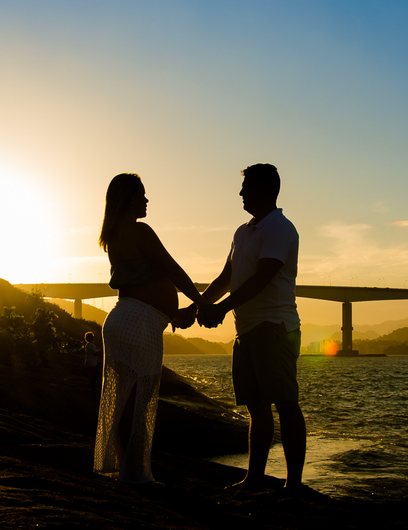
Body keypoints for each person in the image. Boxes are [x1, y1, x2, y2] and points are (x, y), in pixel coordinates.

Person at [198, 164, 306, 491]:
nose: (241, 193)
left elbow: (263, 276)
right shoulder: (242, 232)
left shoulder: (281, 229)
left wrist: (220, 309)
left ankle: (294, 486)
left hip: (274, 327)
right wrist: (198, 307)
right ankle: (254, 479)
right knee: (256, 409)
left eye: (247, 187)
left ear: (266, 190)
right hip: (245, 331)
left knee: (285, 403)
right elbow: (227, 278)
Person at [94, 173, 203, 484]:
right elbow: (172, 270)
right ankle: (136, 475)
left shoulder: (113, 235)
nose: (146, 201)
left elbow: (144, 285)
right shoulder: (139, 231)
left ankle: (121, 468)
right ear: (130, 199)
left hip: (120, 319)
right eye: (142, 195)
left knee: (120, 403)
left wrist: (174, 315)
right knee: (141, 402)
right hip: (140, 323)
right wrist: (201, 301)